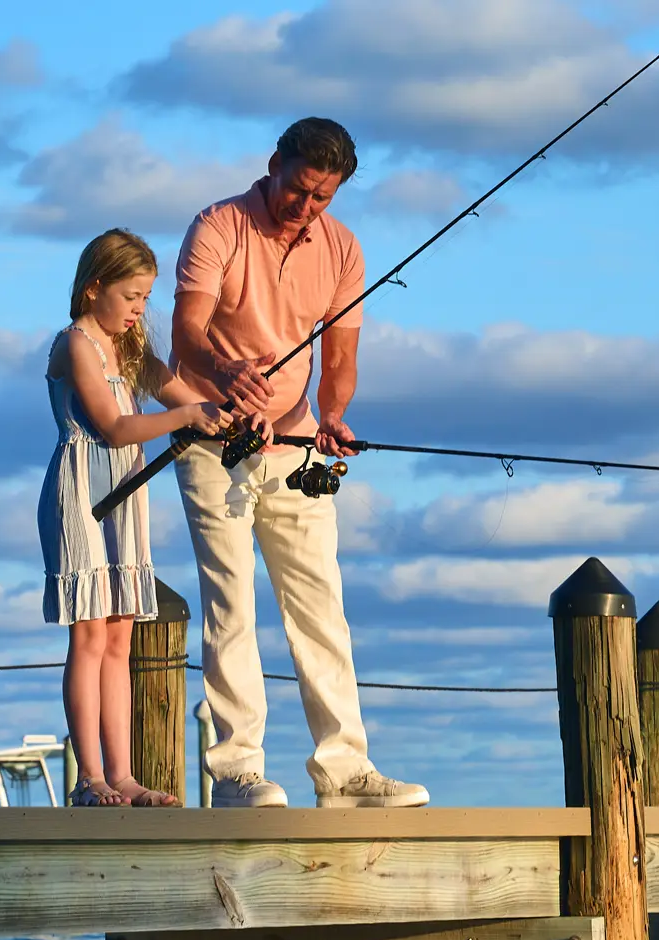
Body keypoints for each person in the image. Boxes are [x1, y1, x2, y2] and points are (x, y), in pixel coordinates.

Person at [169, 117, 429, 809]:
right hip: (210, 438)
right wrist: (228, 373)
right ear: (274, 165)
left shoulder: (343, 248)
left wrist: (333, 416)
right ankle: (236, 773)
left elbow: (339, 358)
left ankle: (345, 770)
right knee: (232, 604)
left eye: (323, 197)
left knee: (321, 605)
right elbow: (186, 335)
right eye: (298, 189)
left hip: (296, 443)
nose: (305, 207)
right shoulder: (218, 225)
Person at [38, 228, 267, 808]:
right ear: (94, 289)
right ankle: (88, 777)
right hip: (84, 496)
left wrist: (221, 413)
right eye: (131, 296)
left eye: (145, 298)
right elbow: (114, 426)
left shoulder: (132, 347)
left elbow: (180, 394)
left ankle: (124, 775)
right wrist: (189, 412)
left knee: (120, 637)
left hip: (127, 496)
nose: (140, 309)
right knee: (89, 635)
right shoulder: (76, 344)